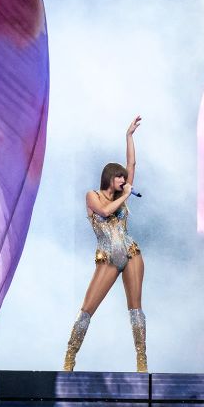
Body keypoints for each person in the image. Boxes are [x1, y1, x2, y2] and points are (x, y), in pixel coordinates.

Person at [63, 116, 148, 372]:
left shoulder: (122, 193)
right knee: (88, 308)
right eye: (119, 177)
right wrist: (124, 197)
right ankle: (70, 356)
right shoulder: (93, 196)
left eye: (124, 178)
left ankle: (141, 359)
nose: (124, 180)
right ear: (110, 178)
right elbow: (103, 212)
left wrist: (129, 136)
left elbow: (132, 163)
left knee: (135, 308)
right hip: (108, 256)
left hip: (130, 252)